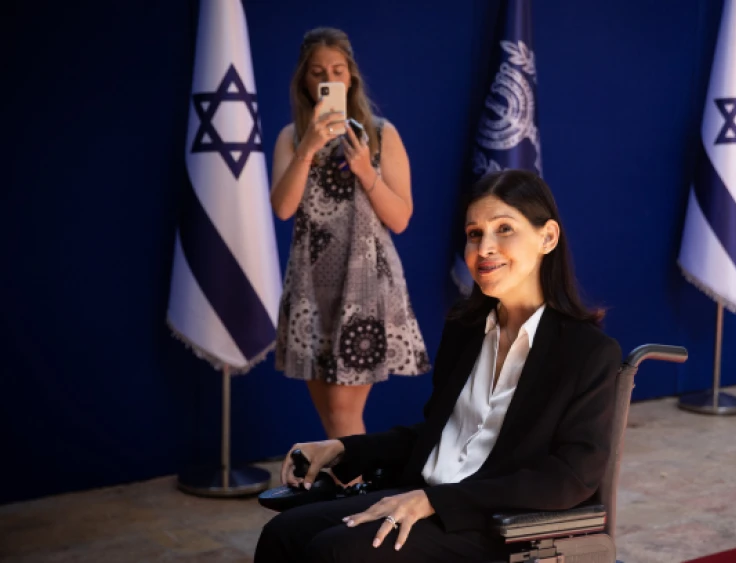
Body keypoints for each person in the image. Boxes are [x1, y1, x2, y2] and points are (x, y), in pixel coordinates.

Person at [255, 169, 622, 562]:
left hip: (490, 523)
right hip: (422, 496)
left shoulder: (588, 352)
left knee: (336, 553)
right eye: (475, 234)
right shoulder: (465, 329)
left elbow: (570, 478)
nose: (485, 248)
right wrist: (342, 449)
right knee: (283, 534)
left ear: (547, 237)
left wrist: (437, 501)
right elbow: (436, 434)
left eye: (504, 229)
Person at [270, 27, 431, 440]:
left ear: (351, 76)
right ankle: (347, 495)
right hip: (311, 288)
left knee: (343, 414)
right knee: (330, 419)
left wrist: (364, 172)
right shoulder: (290, 139)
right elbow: (283, 208)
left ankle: (353, 502)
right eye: (318, 71)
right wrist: (307, 148)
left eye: (338, 70)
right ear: (304, 81)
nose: (328, 79)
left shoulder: (380, 133)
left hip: (364, 284)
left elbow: (400, 219)